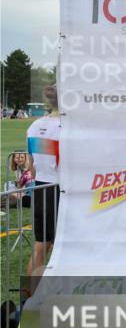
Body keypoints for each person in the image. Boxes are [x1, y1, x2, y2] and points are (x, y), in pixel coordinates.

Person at [26, 86, 60, 281]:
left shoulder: (34, 125)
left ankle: (28, 294)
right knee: (59, 247)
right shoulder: (66, 127)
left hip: (40, 188)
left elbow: (30, 166)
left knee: (40, 244)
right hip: (59, 190)